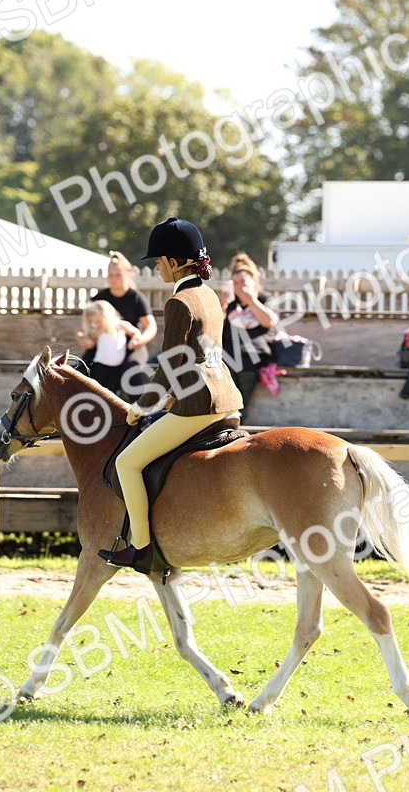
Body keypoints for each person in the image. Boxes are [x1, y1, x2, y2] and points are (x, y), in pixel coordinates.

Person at [98, 217, 244, 572]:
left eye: (160, 261)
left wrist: (141, 406)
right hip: (228, 399)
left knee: (126, 462)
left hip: (197, 406)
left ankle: (142, 548)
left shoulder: (180, 302)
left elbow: (171, 365)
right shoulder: (209, 295)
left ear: (175, 262)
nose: (158, 268)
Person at [77, 251, 158, 369]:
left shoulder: (136, 297)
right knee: (83, 368)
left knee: (131, 370)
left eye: (118, 274)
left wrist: (139, 340)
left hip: (129, 346)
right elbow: (82, 322)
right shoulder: (100, 297)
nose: (114, 279)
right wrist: (83, 337)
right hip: (103, 345)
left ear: (127, 274)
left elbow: (150, 326)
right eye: (111, 274)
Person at [221, 253, 278, 417]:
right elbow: (217, 326)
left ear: (254, 282)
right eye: (235, 283)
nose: (239, 287)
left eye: (243, 282)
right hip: (228, 354)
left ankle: (237, 418)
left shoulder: (263, 299)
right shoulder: (230, 302)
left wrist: (252, 302)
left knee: (240, 398)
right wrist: (223, 305)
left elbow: (269, 322)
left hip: (253, 354)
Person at [80, 300, 141, 398]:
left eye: (99, 321)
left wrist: (135, 340)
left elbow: (136, 332)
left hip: (117, 367)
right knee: (99, 390)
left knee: (113, 392)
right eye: (94, 323)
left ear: (107, 316)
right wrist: (84, 338)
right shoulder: (98, 330)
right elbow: (91, 342)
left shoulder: (121, 326)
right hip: (100, 365)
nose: (97, 324)